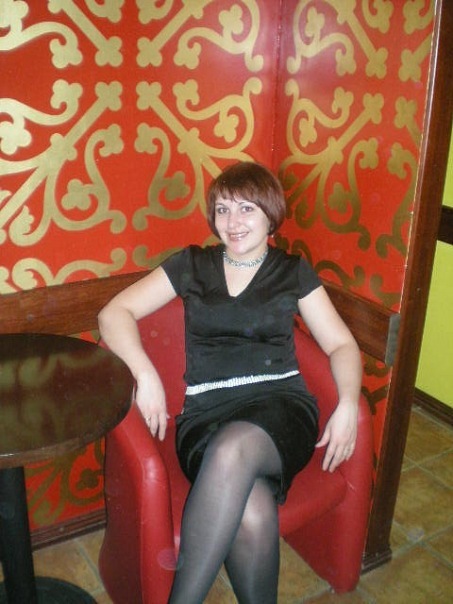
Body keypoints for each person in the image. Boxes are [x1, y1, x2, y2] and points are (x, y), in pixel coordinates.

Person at [98, 161, 362, 604]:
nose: (232, 221)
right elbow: (113, 314)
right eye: (222, 209)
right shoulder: (193, 264)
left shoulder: (292, 271)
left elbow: (341, 345)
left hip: (281, 408)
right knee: (253, 511)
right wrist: (145, 373)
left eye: (246, 209)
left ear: (270, 214)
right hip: (205, 416)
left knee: (234, 447)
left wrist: (349, 403)